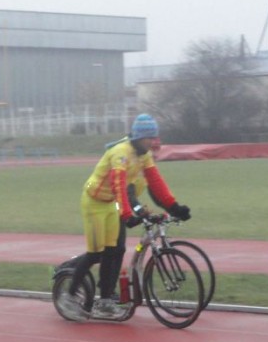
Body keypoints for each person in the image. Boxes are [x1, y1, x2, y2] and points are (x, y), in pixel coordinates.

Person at [57, 113, 191, 320]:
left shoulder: (143, 155)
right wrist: (128, 214)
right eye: (150, 138)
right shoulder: (121, 153)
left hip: (110, 203)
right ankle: (69, 295)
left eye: (155, 137)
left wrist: (174, 206)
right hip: (93, 202)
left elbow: (156, 182)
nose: (154, 142)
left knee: (114, 251)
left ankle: (105, 300)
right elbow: (119, 185)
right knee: (95, 253)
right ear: (139, 137)